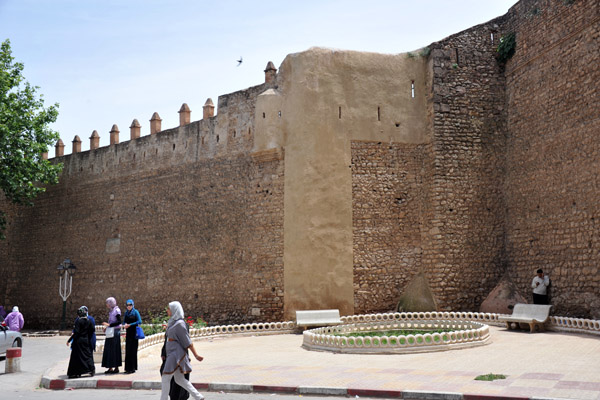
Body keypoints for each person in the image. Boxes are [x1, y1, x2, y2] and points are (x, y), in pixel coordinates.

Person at [160, 301, 204, 400]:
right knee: (179, 379)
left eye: (169, 309)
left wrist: (196, 355)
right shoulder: (172, 322)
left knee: (165, 377)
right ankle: (198, 396)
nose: (167, 311)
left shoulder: (180, 324)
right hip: (171, 353)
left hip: (176, 354)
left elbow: (187, 341)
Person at [66, 306, 95, 378]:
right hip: (86, 340)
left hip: (78, 341)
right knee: (87, 356)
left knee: (77, 357)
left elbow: (76, 332)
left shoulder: (78, 321)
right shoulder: (89, 321)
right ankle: (90, 370)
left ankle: (76, 372)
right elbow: (92, 330)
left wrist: (69, 340)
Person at [101, 297, 122, 374]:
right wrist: (107, 327)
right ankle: (111, 367)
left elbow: (119, 321)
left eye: (108, 303)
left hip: (115, 333)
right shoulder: (111, 311)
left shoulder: (116, 310)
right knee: (110, 350)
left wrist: (109, 324)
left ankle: (115, 367)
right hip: (111, 332)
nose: (107, 305)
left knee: (114, 349)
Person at [122, 299, 142, 374]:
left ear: (132, 305)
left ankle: (132, 368)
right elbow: (124, 321)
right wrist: (125, 325)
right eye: (127, 305)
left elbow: (139, 321)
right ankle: (127, 368)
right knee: (128, 350)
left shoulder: (135, 312)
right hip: (128, 333)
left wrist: (130, 324)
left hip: (134, 333)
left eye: (130, 305)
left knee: (133, 350)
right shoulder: (126, 313)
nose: (129, 306)